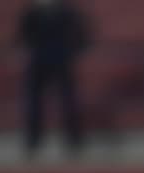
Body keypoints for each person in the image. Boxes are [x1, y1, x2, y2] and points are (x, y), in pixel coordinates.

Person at [17, 0, 90, 155]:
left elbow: (81, 33)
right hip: (39, 60)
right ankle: (33, 140)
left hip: (61, 59)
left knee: (68, 101)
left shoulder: (67, 11)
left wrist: (73, 51)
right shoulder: (33, 12)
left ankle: (73, 140)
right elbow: (22, 34)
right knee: (34, 104)